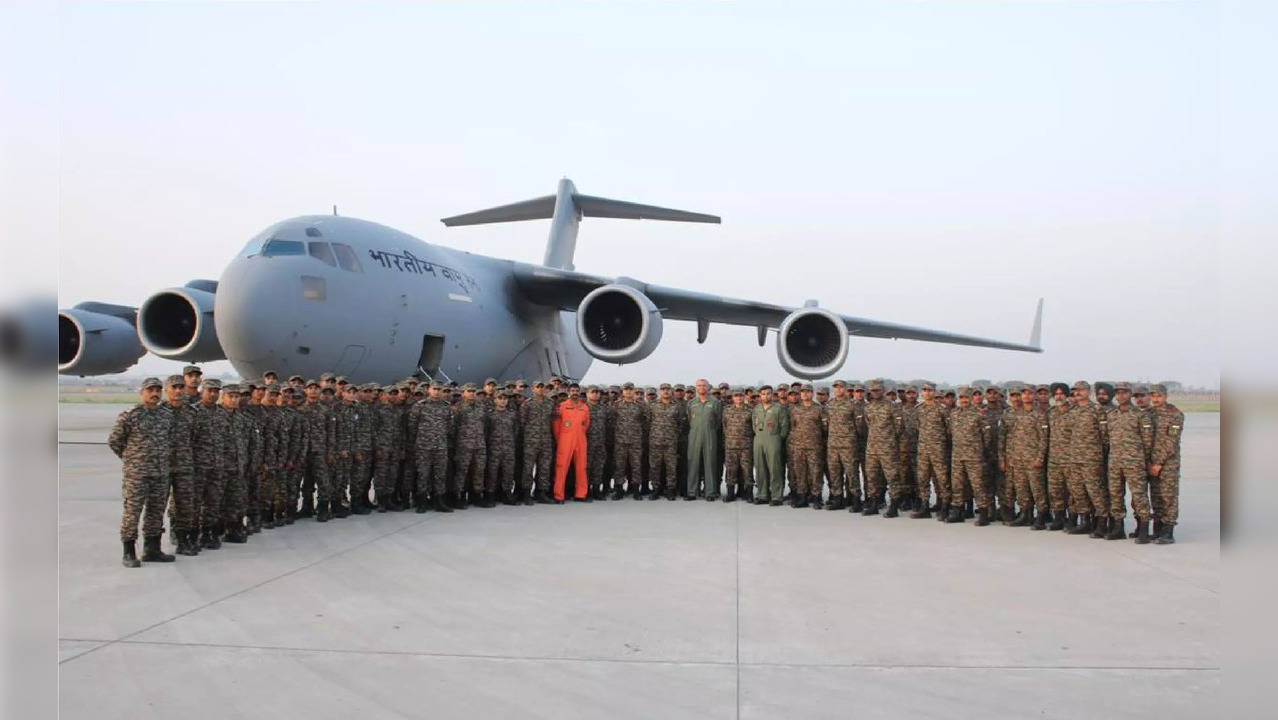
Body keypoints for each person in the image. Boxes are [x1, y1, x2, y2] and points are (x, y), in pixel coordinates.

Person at [107, 377, 174, 568]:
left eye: (158, 390)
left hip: (160, 473)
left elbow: (169, 440)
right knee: (132, 512)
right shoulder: (130, 415)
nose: (154, 394)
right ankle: (128, 552)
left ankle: (152, 550)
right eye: (150, 390)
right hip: (137, 474)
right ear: (142, 393)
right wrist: (132, 460)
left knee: (156, 512)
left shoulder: (166, 415)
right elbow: (115, 441)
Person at [1105, 382, 1150, 540]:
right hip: (1115, 462)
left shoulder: (1140, 415)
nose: (1120, 396)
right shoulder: (1111, 415)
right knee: (1116, 495)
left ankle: (1143, 528)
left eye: (1124, 393)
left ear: (1130, 394)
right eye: (1118, 393)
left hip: (1134, 462)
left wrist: (1146, 462)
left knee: (1138, 495)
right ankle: (1118, 528)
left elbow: (1147, 441)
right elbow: (1107, 439)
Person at [1066, 381, 1109, 537]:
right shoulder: (1073, 411)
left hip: (1091, 458)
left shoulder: (1097, 410)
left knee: (1095, 491)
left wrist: (1098, 454)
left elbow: (1104, 436)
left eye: (1080, 390)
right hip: (1075, 458)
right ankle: (1085, 522)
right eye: (1075, 391)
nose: (1077, 393)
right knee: (1078, 491)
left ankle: (1102, 523)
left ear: (1088, 391)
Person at [162, 375, 199, 555]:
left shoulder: (192, 413)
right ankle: (153, 545)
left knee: (184, 505)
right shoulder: (159, 411)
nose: (178, 391)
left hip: (184, 467)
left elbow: (196, 438)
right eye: (174, 387)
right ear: (167, 389)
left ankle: (183, 540)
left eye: (180, 387)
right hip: (161, 467)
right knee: (157, 506)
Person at [1147, 384, 1184, 544]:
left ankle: (1168, 531)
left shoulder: (1175, 414)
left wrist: (1159, 463)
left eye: (1159, 396)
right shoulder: (1148, 414)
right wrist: (1149, 462)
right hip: (1151, 463)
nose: (1155, 399)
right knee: (1155, 496)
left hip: (1168, 463)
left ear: (1165, 396)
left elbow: (1171, 441)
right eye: (1153, 396)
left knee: (1168, 496)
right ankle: (1157, 530)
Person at [913, 382, 950, 520]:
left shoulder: (942, 409)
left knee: (942, 478)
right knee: (922, 478)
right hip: (923, 449)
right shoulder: (919, 409)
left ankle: (945, 505)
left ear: (934, 392)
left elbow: (948, 429)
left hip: (938, 449)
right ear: (921, 393)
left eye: (929, 390)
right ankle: (925, 506)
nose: (927, 393)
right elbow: (918, 427)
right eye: (924, 390)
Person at [823, 380, 859, 512]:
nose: (838, 390)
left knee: (852, 474)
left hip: (848, 445)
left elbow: (859, 426)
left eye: (841, 387)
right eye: (836, 388)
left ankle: (856, 500)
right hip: (833, 444)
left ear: (845, 389)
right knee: (835, 473)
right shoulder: (829, 405)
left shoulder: (852, 405)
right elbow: (825, 424)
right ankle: (838, 499)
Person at [551, 384, 591, 503]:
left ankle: (581, 494)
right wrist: (561, 440)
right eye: (572, 391)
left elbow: (586, 424)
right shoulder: (562, 407)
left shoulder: (584, 407)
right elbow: (556, 426)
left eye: (577, 391)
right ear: (569, 392)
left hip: (580, 440)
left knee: (581, 468)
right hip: (565, 440)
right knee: (561, 467)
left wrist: (580, 434)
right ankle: (559, 495)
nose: (575, 393)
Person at [751, 385, 789, 506]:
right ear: (760, 395)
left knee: (774, 468)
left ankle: (776, 496)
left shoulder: (779, 408)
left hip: (773, 439)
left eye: (768, 393)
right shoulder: (757, 408)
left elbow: (784, 426)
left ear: (772, 395)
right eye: (763, 394)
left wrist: (778, 438)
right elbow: (754, 424)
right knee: (760, 468)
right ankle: (762, 494)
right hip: (759, 439)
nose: (765, 396)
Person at [787, 384, 824, 508]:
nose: (805, 394)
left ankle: (817, 497)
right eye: (803, 392)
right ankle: (802, 497)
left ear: (812, 393)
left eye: (808, 392)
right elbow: (793, 427)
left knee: (815, 473)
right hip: (799, 447)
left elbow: (824, 428)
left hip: (814, 447)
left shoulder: (819, 409)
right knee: (800, 472)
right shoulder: (795, 409)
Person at [452, 383, 489, 508]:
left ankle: (476, 496)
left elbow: (485, 425)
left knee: (479, 470)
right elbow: (453, 427)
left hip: (479, 444)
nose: (472, 393)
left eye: (474, 391)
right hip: (464, 445)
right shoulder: (458, 408)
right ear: (463, 393)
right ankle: (459, 496)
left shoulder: (481, 407)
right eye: (469, 391)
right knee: (462, 471)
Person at [686, 379, 722, 501]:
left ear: (708, 387)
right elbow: (689, 419)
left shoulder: (715, 403)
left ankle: (710, 492)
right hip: (694, 436)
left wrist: (710, 430)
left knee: (710, 463)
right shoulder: (691, 403)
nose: (701, 388)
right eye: (699, 385)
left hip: (710, 435)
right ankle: (692, 492)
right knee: (693, 463)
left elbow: (718, 421)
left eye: (704, 385)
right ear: (696, 387)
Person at [521, 381, 556, 504]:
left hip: (546, 441)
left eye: (543, 387)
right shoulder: (527, 404)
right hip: (531, 441)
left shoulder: (550, 403)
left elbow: (553, 421)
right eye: (538, 387)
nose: (541, 389)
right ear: (533, 389)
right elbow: (522, 423)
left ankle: (541, 493)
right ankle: (526, 493)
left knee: (544, 468)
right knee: (528, 468)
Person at [646, 383, 682, 500]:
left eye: (668, 389)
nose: (666, 392)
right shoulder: (652, 405)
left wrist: (674, 435)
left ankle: (670, 490)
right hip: (655, 442)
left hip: (671, 443)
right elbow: (647, 422)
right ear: (659, 392)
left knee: (671, 467)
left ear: (671, 391)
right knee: (655, 467)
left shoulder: (676, 406)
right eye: (663, 389)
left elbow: (680, 424)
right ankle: (656, 489)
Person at [612, 383, 646, 499]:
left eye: (630, 390)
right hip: (620, 441)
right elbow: (611, 421)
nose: (628, 392)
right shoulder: (616, 405)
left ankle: (636, 490)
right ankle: (619, 490)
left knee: (636, 466)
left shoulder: (640, 406)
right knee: (619, 466)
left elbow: (645, 421)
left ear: (634, 391)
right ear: (623, 391)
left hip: (635, 441)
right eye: (626, 390)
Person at [721, 387, 753, 502]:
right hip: (731, 446)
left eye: (740, 395)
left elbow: (753, 427)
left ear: (744, 397)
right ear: (733, 398)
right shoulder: (727, 410)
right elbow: (724, 427)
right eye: (736, 396)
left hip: (746, 446)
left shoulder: (750, 410)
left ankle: (748, 494)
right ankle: (730, 493)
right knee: (731, 470)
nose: (738, 398)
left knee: (747, 470)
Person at [488, 390, 520, 505]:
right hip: (494, 448)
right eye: (500, 398)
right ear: (495, 400)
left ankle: (507, 494)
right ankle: (490, 495)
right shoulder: (490, 414)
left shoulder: (512, 414)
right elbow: (486, 431)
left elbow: (516, 430)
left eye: (505, 399)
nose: (503, 401)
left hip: (508, 448)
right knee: (492, 472)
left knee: (508, 472)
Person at [584, 386, 612, 500]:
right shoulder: (583, 407)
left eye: (597, 392)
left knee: (598, 467)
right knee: (586, 467)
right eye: (593, 392)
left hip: (600, 442)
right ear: (587, 394)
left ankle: (596, 490)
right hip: (587, 443)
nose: (595, 394)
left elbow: (609, 425)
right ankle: (585, 490)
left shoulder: (604, 408)